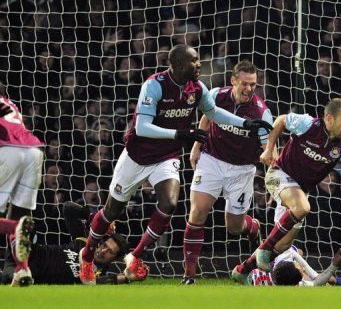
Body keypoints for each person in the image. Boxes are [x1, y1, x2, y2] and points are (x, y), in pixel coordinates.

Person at [79, 44, 273, 285]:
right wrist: (181, 134)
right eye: (194, 61)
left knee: (169, 203)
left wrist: (245, 124)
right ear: (180, 65)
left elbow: (213, 113)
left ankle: (137, 255)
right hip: (137, 155)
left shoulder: (198, 88)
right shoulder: (154, 85)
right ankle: (86, 256)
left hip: (166, 157)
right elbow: (142, 128)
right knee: (111, 211)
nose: (199, 65)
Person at [232, 98, 341, 281]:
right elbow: (280, 120)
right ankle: (264, 248)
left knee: (283, 245)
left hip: (300, 189)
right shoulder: (308, 124)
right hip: (279, 174)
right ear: (329, 119)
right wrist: (269, 149)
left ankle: (242, 270)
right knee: (303, 208)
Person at [181, 60, 273, 284]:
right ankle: (189, 275)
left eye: (253, 85)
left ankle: (253, 227)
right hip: (211, 160)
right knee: (197, 212)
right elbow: (207, 115)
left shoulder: (262, 113)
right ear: (233, 81)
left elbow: (269, 151)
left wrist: (273, 181)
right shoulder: (216, 94)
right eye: (245, 84)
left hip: (242, 170)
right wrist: (196, 146)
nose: (249, 89)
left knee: (233, 227)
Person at [0, 202, 129, 286]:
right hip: (29, 253)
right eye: (105, 245)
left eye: (110, 252)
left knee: (12, 278)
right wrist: (96, 219)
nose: (103, 251)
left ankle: (16, 275)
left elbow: (103, 282)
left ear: (114, 258)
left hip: (29, 273)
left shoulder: (98, 273)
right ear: (101, 241)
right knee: (27, 225)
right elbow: (68, 208)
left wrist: (128, 277)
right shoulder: (83, 242)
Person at [236, 246, 341, 287]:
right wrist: (334, 265)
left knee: (328, 280)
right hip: (282, 269)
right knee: (329, 281)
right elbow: (316, 281)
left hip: (280, 256)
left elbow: (313, 276)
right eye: (300, 270)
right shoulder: (295, 284)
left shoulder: (284, 256)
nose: (301, 268)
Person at [0, 95, 44, 220]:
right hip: (33, 152)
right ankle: (16, 237)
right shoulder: (11, 105)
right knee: (19, 218)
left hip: (10, 151)